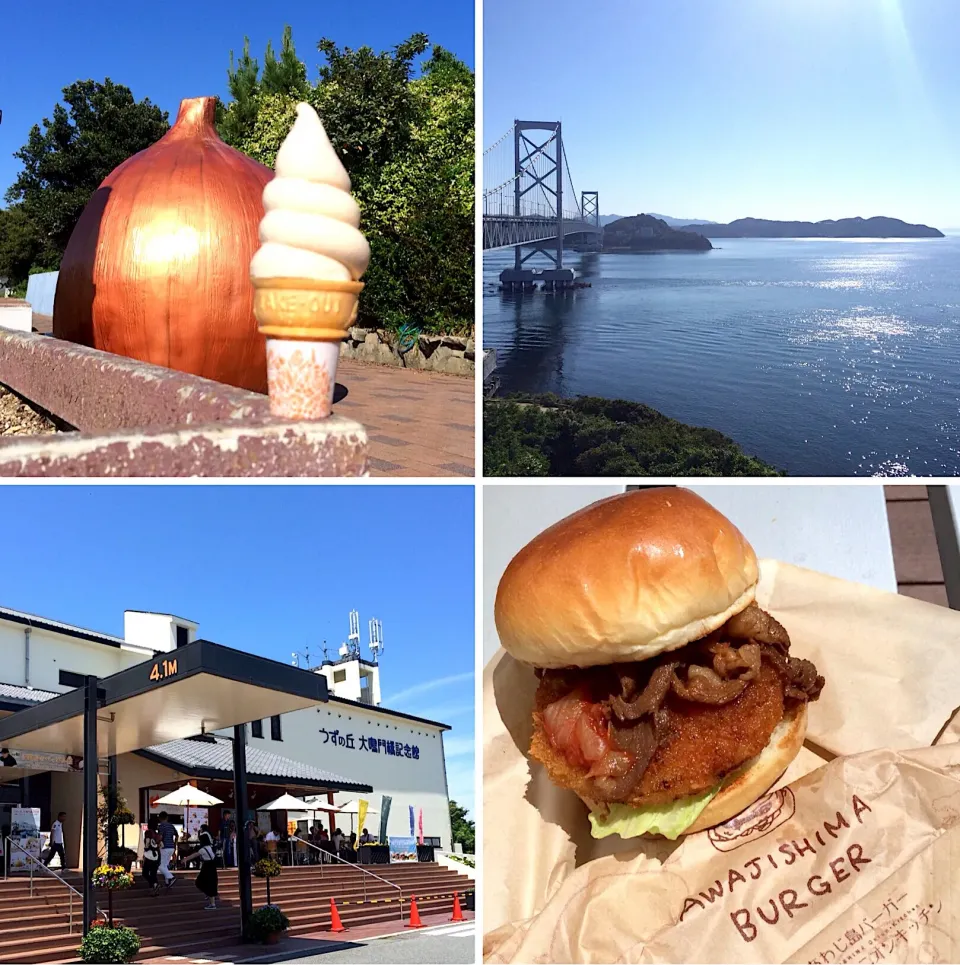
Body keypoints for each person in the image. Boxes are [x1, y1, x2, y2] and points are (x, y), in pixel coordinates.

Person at [183, 823, 219, 910]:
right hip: (212, 865)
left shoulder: (203, 849)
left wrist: (185, 859)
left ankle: (212, 903)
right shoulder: (209, 847)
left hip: (207, 866)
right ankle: (210, 899)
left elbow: (194, 855)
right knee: (211, 883)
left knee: (200, 882)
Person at [156, 811, 177, 888]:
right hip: (171, 847)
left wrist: (157, 843)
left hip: (164, 847)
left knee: (161, 866)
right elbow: (176, 835)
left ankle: (171, 878)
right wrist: (174, 844)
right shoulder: (171, 826)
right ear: (167, 817)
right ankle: (167, 882)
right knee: (165, 865)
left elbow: (160, 837)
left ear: (160, 818)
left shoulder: (161, 826)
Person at [142, 817, 161, 896]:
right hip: (157, 855)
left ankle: (154, 885)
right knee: (153, 872)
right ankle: (154, 889)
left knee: (145, 873)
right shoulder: (157, 834)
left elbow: (147, 842)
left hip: (150, 855)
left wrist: (146, 848)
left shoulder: (148, 832)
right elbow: (161, 845)